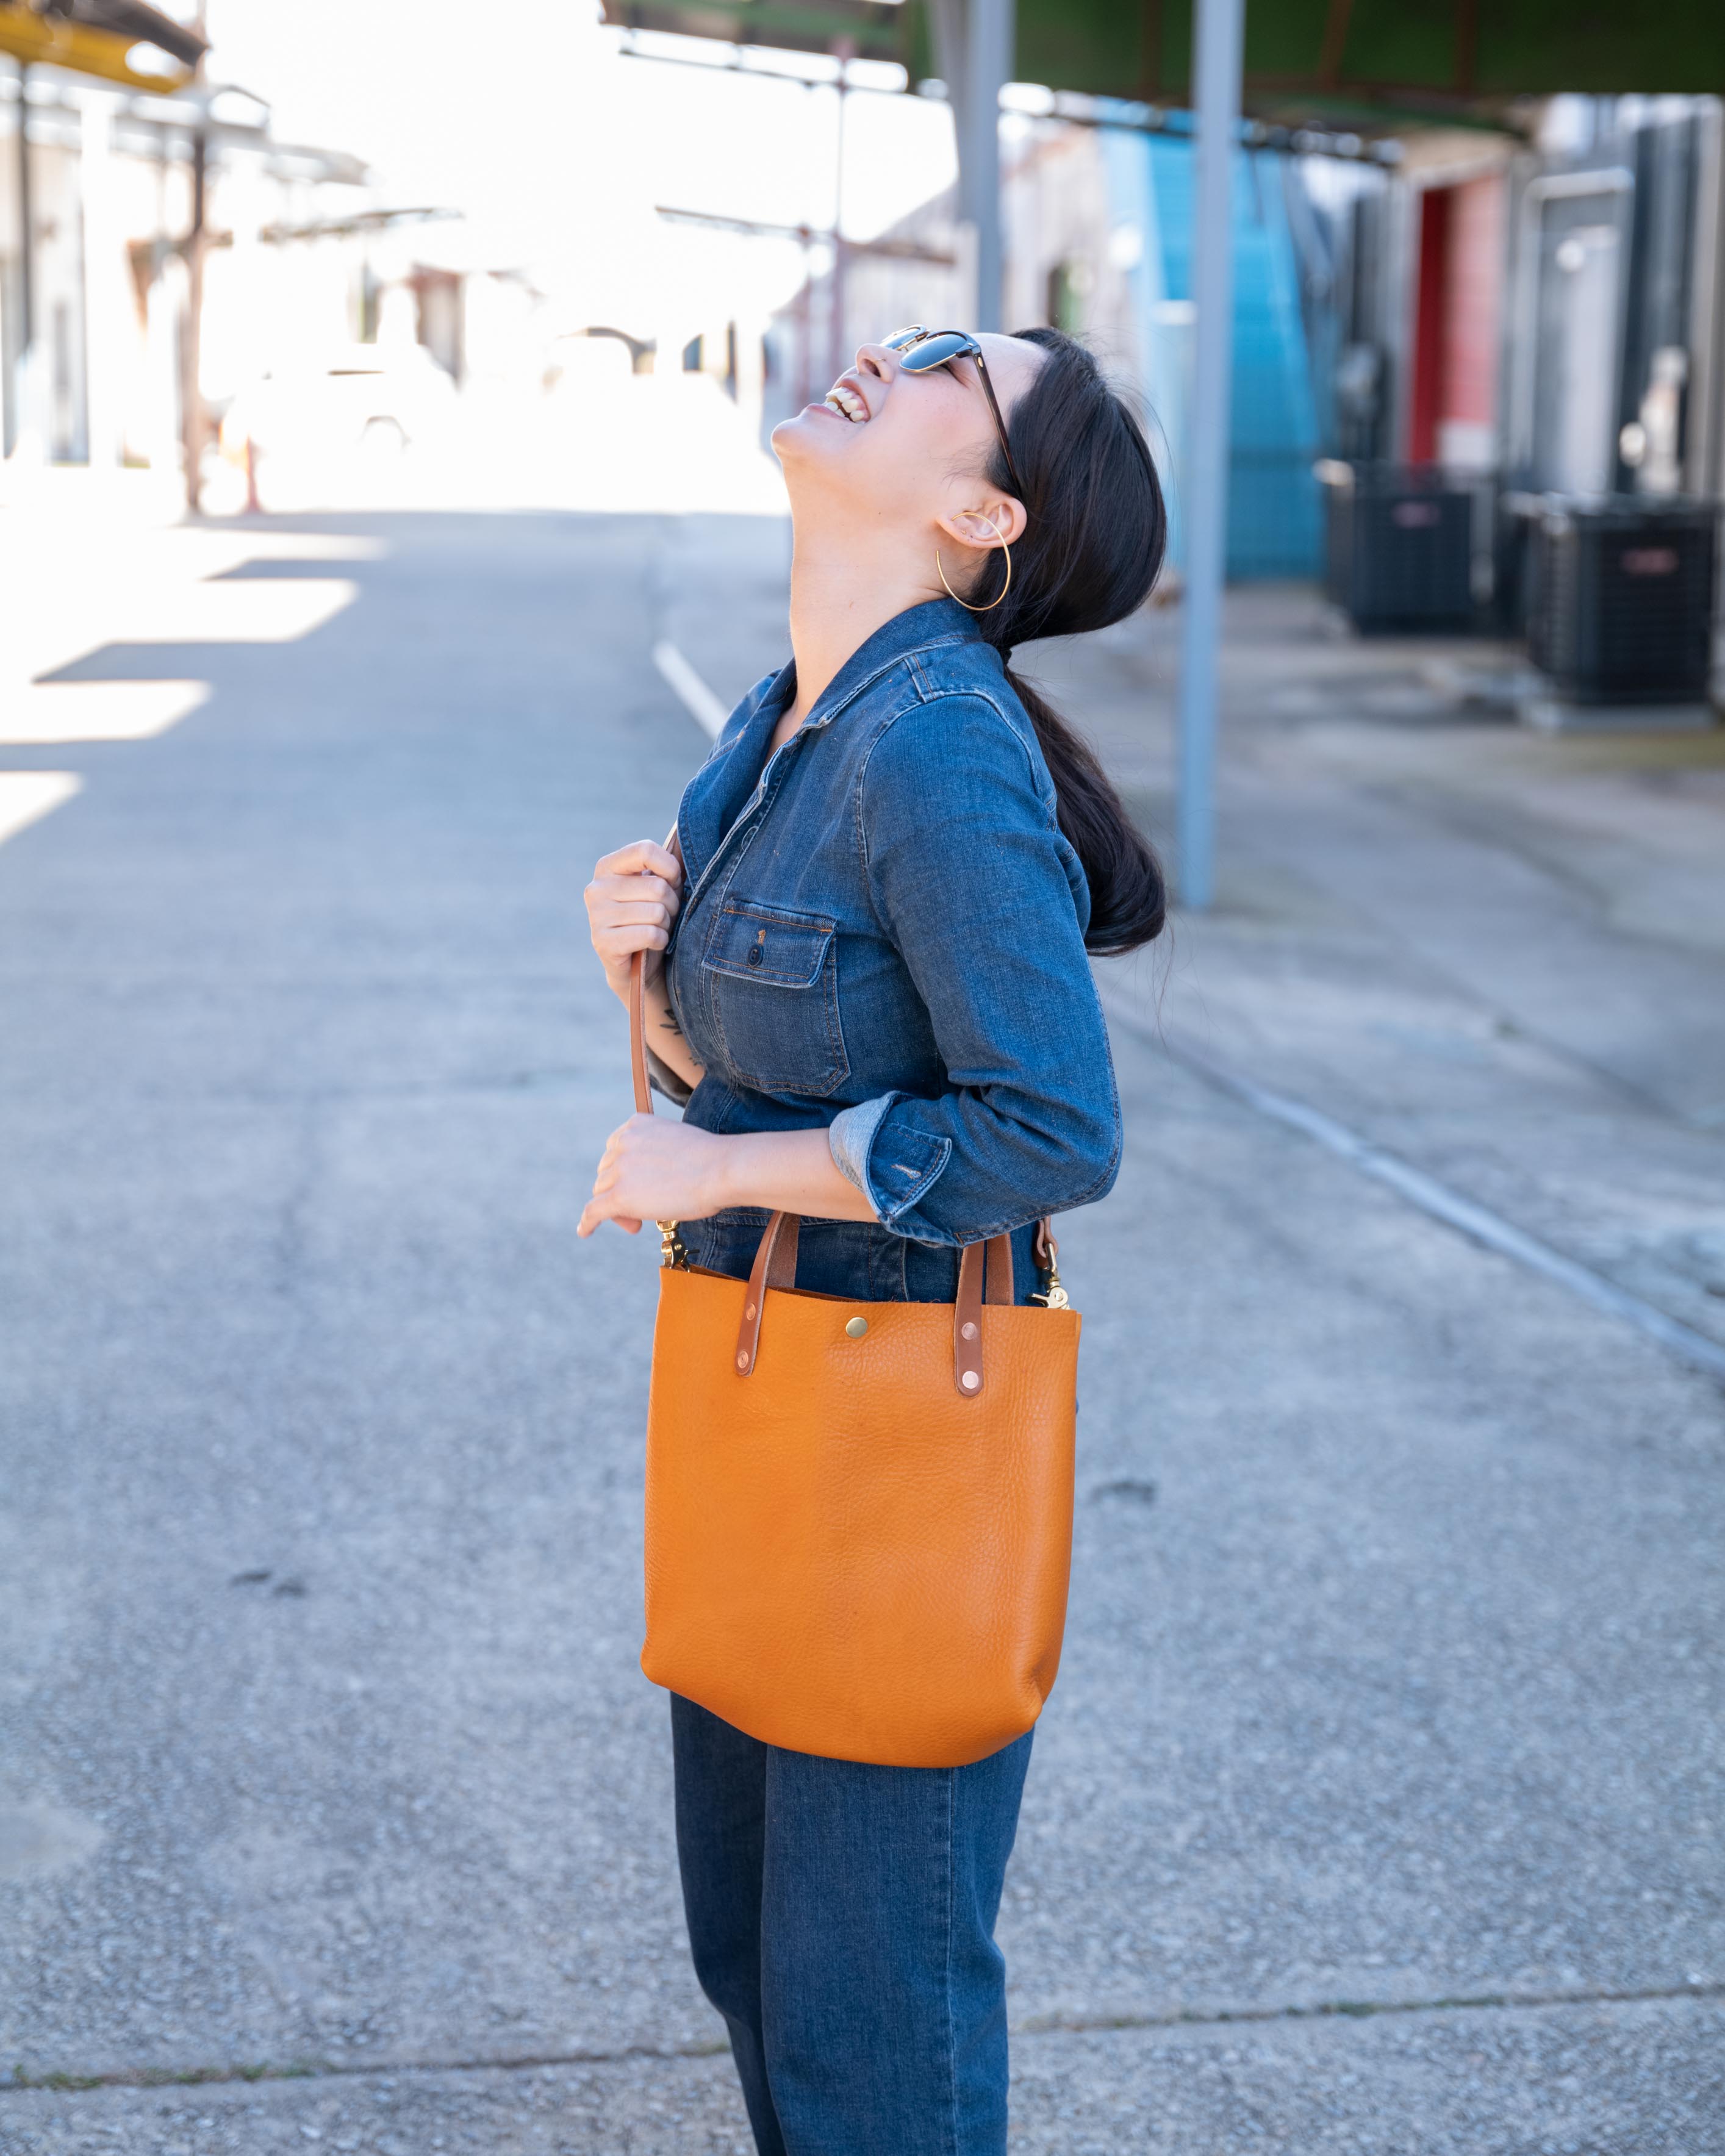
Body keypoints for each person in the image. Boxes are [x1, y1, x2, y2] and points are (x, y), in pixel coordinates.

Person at [579, 325, 1167, 2155]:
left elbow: (1050, 1131)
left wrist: (720, 1176)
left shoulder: (935, 751)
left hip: (894, 1432)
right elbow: (757, 1069)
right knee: (753, 1963)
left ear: (978, 510)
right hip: (766, 1410)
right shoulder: (775, 719)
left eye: (940, 370)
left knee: (867, 2031)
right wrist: (639, 986)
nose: (877, 362)